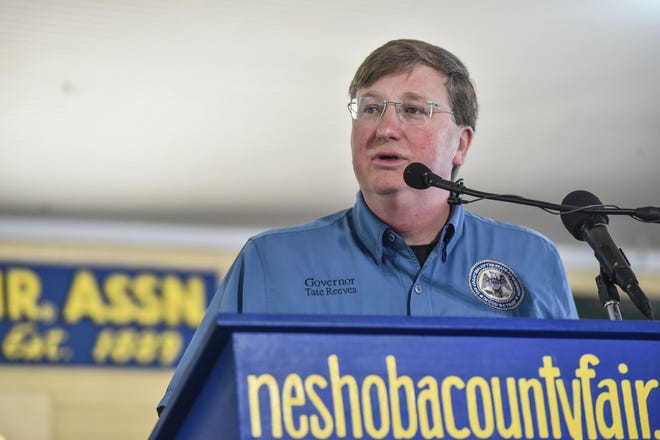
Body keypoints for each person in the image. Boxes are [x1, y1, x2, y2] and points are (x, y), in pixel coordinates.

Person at [157, 39, 578, 413]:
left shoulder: (531, 259)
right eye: (371, 108)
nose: (385, 128)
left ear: (461, 144)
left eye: (413, 110)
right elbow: (193, 411)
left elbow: (574, 409)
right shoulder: (270, 262)